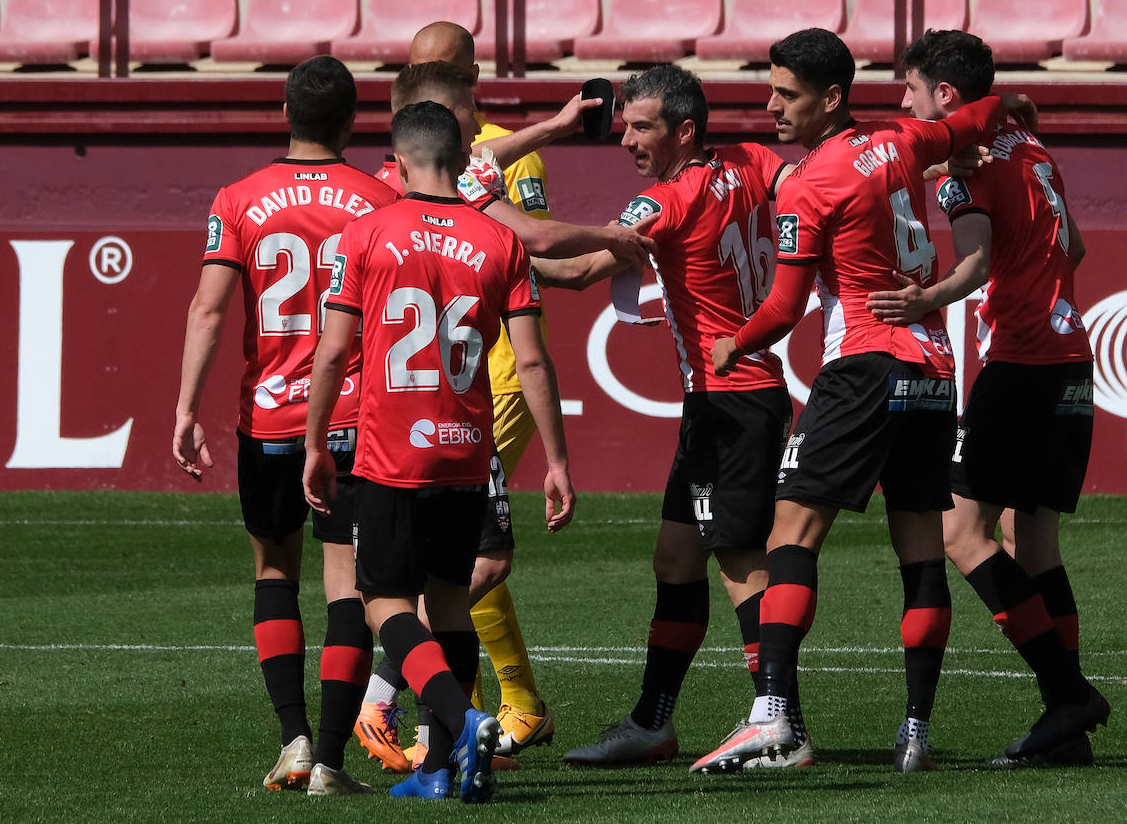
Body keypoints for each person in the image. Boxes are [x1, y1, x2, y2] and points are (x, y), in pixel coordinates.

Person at [705, 28, 1035, 774]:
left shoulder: (808, 184)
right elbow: (973, 119)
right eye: (770, 90)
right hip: (932, 372)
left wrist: (736, 343)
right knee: (919, 548)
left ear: (830, 98)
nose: (771, 107)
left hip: (862, 365)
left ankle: (775, 720)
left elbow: (785, 310)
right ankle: (914, 730)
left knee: (791, 534)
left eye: (786, 95)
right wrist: (1008, 104)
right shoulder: (901, 141)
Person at [355, 53, 654, 772]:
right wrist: (617, 237)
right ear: (437, 116)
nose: (482, 131)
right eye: (470, 111)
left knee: (463, 573)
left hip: (422, 407)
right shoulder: (443, 195)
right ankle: (391, 697)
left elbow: (505, 191)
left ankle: (461, 736)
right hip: (470, 395)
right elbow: (539, 243)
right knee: (470, 568)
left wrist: (553, 126)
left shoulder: (415, 181)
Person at [302, 101, 576, 802]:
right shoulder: (498, 241)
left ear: (395, 162)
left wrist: (314, 444)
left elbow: (334, 353)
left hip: (392, 454)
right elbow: (535, 363)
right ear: (462, 159)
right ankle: (438, 768)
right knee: (451, 601)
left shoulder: (363, 235)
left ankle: (463, 719)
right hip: (467, 455)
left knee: (383, 601)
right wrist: (556, 462)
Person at [533, 64, 802, 771]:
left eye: (641, 125)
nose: (624, 138)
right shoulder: (749, 161)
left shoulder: (666, 201)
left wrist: (469, 224)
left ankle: (780, 721)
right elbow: (800, 184)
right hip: (729, 399)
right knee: (677, 558)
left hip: (732, 400)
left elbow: (568, 270)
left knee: (741, 560)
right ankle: (652, 724)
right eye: (624, 122)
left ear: (685, 129)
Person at [866, 29, 1109, 766]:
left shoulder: (965, 170)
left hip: (1022, 364)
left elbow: (971, 259)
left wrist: (926, 298)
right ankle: (1064, 729)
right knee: (1034, 545)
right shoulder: (1035, 151)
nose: (903, 103)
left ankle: (1067, 695)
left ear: (945, 97)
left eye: (910, 91)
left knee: (961, 533)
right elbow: (1076, 250)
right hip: (1071, 359)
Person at [172, 55, 397, 796]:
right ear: (351, 122)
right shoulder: (374, 199)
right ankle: (332, 761)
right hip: (350, 417)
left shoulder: (239, 198)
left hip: (267, 417)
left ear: (286, 114)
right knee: (347, 587)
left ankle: (294, 741)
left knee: (274, 572)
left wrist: (185, 407)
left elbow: (208, 308)